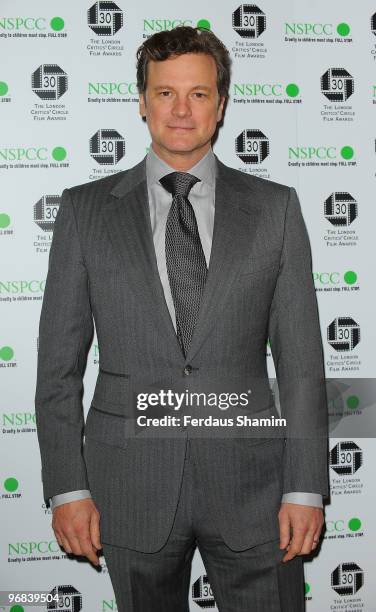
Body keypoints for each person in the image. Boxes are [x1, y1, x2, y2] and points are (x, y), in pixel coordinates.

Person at [35, 25, 328, 612]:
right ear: (142, 102)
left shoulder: (276, 209)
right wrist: (68, 487)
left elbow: (301, 365)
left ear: (221, 105)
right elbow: (58, 369)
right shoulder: (85, 211)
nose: (181, 110)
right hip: (130, 485)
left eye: (198, 94)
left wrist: (306, 487)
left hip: (255, 486)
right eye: (165, 93)